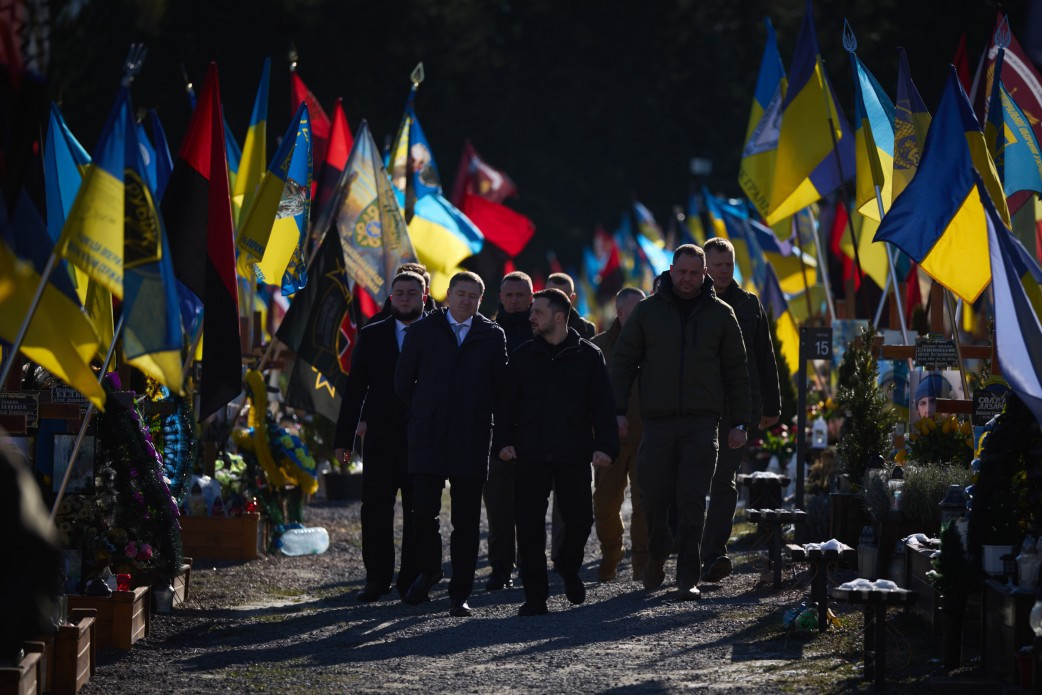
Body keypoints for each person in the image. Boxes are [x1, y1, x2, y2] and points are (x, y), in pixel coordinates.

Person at [611, 244, 750, 600]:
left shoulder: (722, 315)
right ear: (671, 271)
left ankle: (688, 575)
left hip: (702, 425)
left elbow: (737, 371)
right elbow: (624, 362)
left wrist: (740, 422)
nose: (687, 279)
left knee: (692, 500)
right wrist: (617, 410)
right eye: (681, 271)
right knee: (653, 497)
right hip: (657, 424)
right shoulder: (647, 312)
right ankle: (657, 555)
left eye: (694, 273)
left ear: (703, 275)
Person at [495, 288, 619, 616]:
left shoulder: (588, 356)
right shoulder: (522, 355)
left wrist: (605, 446)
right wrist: (504, 441)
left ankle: (567, 566)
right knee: (530, 525)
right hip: (530, 453)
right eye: (531, 312)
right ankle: (535, 596)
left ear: (559, 317)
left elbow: (603, 406)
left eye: (537, 312)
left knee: (580, 519)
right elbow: (506, 404)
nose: (530, 317)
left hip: (573, 453)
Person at [395, 271, 508, 617]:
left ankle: (460, 592)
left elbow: (500, 388)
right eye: (461, 294)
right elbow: (403, 383)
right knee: (423, 513)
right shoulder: (422, 331)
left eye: (474, 296)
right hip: (428, 434)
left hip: (472, 436)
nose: (466, 301)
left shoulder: (492, 335)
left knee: (467, 521)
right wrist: (426, 410)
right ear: (447, 295)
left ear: (480, 300)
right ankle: (430, 569)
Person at [334, 271, 427, 602]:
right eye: (399, 293)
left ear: (424, 297)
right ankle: (377, 578)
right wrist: (344, 442)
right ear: (390, 297)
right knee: (375, 510)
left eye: (411, 293)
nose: (405, 298)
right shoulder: (372, 335)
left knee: (420, 511)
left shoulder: (437, 333)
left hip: (422, 440)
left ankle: (412, 578)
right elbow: (355, 389)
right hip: (381, 439)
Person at [699, 238, 781, 583]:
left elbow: (765, 356)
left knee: (724, 481)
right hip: (695, 407)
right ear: (704, 266)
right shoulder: (691, 302)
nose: (722, 271)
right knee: (688, 481)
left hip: (737, 409)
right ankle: (681, 544)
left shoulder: (749, 305)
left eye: (727, 265)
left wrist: (772, 405)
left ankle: (714, 552)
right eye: (716, 265)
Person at [591, 287, 648, 582]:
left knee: (644, 504)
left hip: (647, 438)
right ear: (621, 312)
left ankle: (642, 561)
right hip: (609, 441)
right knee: (604, 505)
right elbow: (587, 395)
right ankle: (612, 550)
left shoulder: (655, 346)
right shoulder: (597, 348)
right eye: (638, 309)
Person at [483, 271, 535, 592]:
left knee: (531, 506)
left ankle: (531, 565)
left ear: (532, 297)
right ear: (500, 298)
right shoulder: (487, 333)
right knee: (499, 507)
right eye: (509, 295)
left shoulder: (541, 332)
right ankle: (501, 566)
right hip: (495, 432)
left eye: (521, 295)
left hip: (534, 432)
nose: (514, 301)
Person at [367, 262, 437, 325]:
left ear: (426, 291)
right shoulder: (374, 327)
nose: (405, 298)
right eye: (400, 292)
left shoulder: (440, 325)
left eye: (412, 292)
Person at [546, 272, 596, 340]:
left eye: (563, 296)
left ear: (572, 298)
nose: (557, 300)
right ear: (544, 294)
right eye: (553, 294)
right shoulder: (532, 322)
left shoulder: (586, 330)